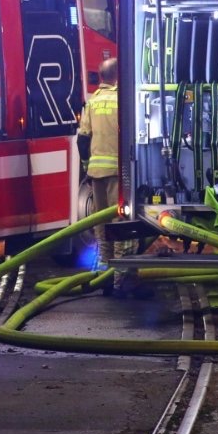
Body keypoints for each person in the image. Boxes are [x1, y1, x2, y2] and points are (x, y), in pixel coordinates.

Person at [77, 58, 132, 294]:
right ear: (118, 76)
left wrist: (86, 165)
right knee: (122, 226)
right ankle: (123, 281)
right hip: (118, 173)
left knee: (102, 228)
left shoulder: (93, 101)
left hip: (96, 173)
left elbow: (82, 138)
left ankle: (104, 279)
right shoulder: (122, 100)